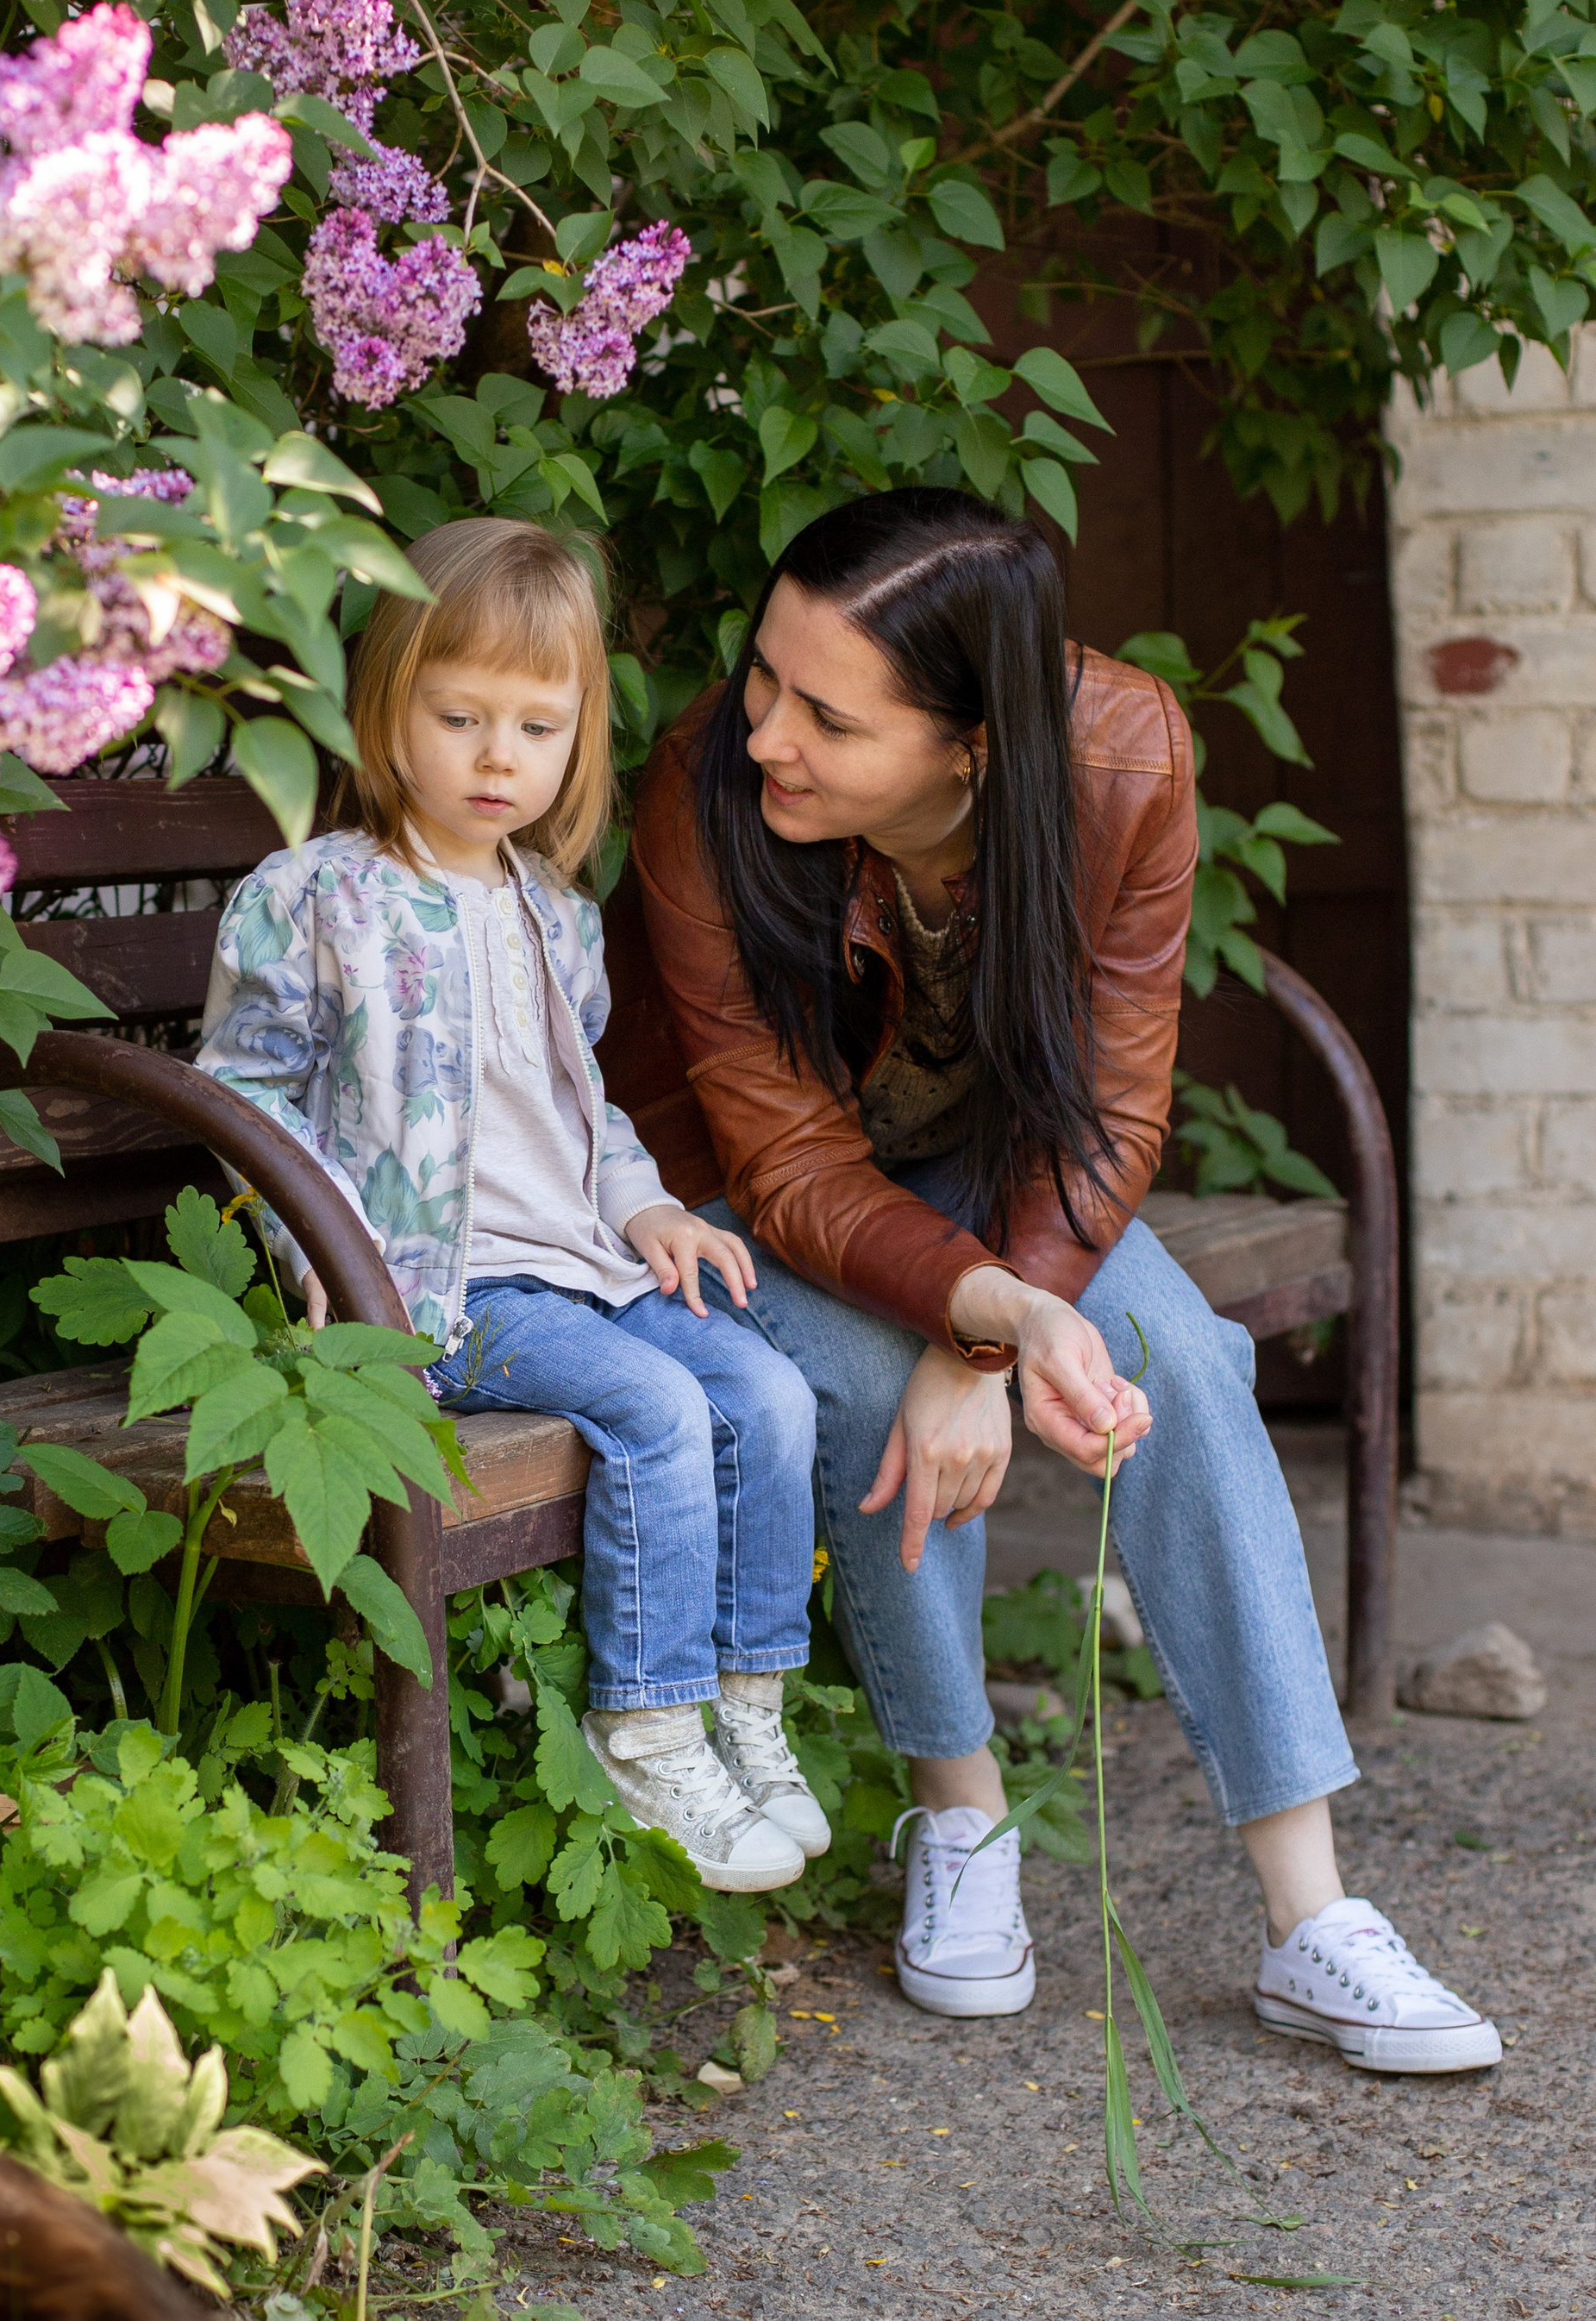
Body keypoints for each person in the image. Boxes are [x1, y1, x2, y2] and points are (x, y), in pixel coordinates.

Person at [601, 486, 1499, 2074]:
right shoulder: (702, 792)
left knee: (1194, 1366)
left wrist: (999, 1322)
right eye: (763, 677)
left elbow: (1114, 1107)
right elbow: (787, 1162)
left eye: (829, 715)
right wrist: (982, 1320)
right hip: (738, 1200)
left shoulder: (1127, 754)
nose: (765, 737)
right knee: (881, 1387)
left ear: (971, 745)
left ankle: (1312, 1921)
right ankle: (960, 1821)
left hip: (1006, 1194)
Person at [198, 517, 825, 1892]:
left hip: (586, 1266)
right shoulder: (317, 900)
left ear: (575, 741)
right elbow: (242, 1105)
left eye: (537, 728)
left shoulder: (553, 911)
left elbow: (580, 1107)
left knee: (770, 1395)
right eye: (462, 715)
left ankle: (749, 1709)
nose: (499, 757)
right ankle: (647, 1728)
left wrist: (649, 1207)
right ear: (388, 707)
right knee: (658, 1412)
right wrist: (319, 1247)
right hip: (440, 1294)